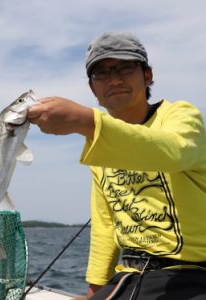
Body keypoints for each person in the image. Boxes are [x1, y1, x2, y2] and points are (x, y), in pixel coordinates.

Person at [27, 32, 206, 299]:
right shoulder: (100, 145)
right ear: (92, 89)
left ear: (147, 76)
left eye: (125, 67)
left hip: (191, 274)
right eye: (102, 73)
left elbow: (173, 151)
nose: (115, 79)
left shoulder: (180, 115)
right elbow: (105, 225)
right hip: (129, 277)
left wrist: (88, 122)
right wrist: (94, 293)